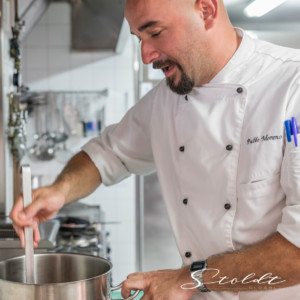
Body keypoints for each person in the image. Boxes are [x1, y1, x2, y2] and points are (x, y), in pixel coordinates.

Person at [10, 0, 300, 299]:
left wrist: (188, 278)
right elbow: (107, 153)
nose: (146, 55)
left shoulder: (292, 86)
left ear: (207, 11)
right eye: (138, 38)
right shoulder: (166, 100)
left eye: (156, 32)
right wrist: (60, 190)